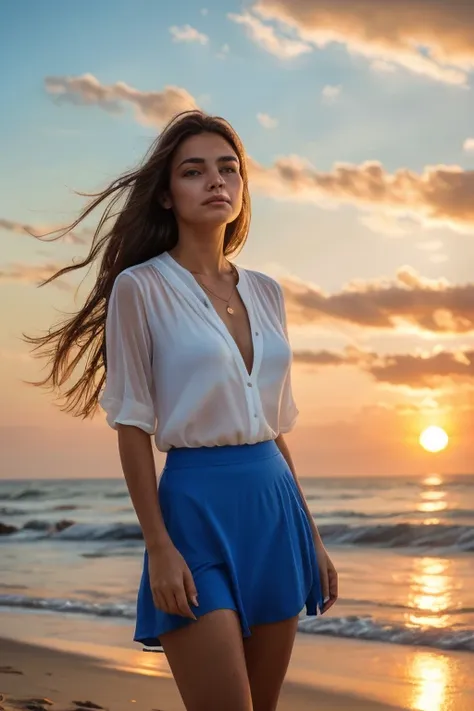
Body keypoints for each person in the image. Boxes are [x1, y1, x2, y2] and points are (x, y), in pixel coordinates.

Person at [25, 110, 338, 711]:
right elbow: (132, 425)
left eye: (229, 169)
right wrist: (159, 547)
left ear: (242, 187)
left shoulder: (267, 291)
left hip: (276, 509)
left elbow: (272, 427)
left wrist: (313, 536)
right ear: (167, 195)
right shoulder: (141, 288)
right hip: (194, 511)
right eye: (194, 172)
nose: (216, 181)